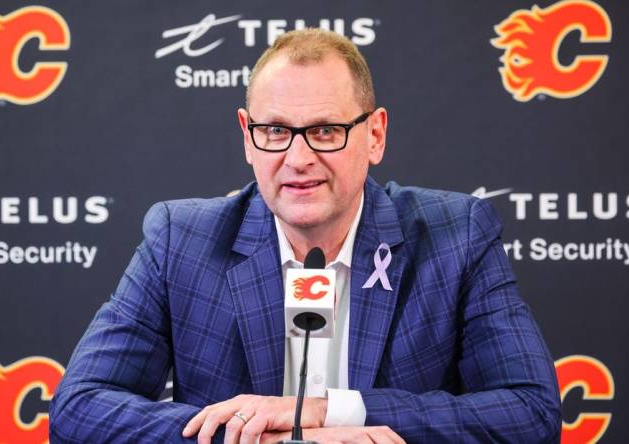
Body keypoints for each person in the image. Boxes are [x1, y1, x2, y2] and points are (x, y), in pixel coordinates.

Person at [50, 28, 561, 443]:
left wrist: (334, 413)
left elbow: (531, 414)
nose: (298, 159)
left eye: (324, 131)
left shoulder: (457, 235)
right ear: (247, 136)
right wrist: (249, 436)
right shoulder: (179, 240)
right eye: (274, 131)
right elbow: (78, 410)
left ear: (375, 135)